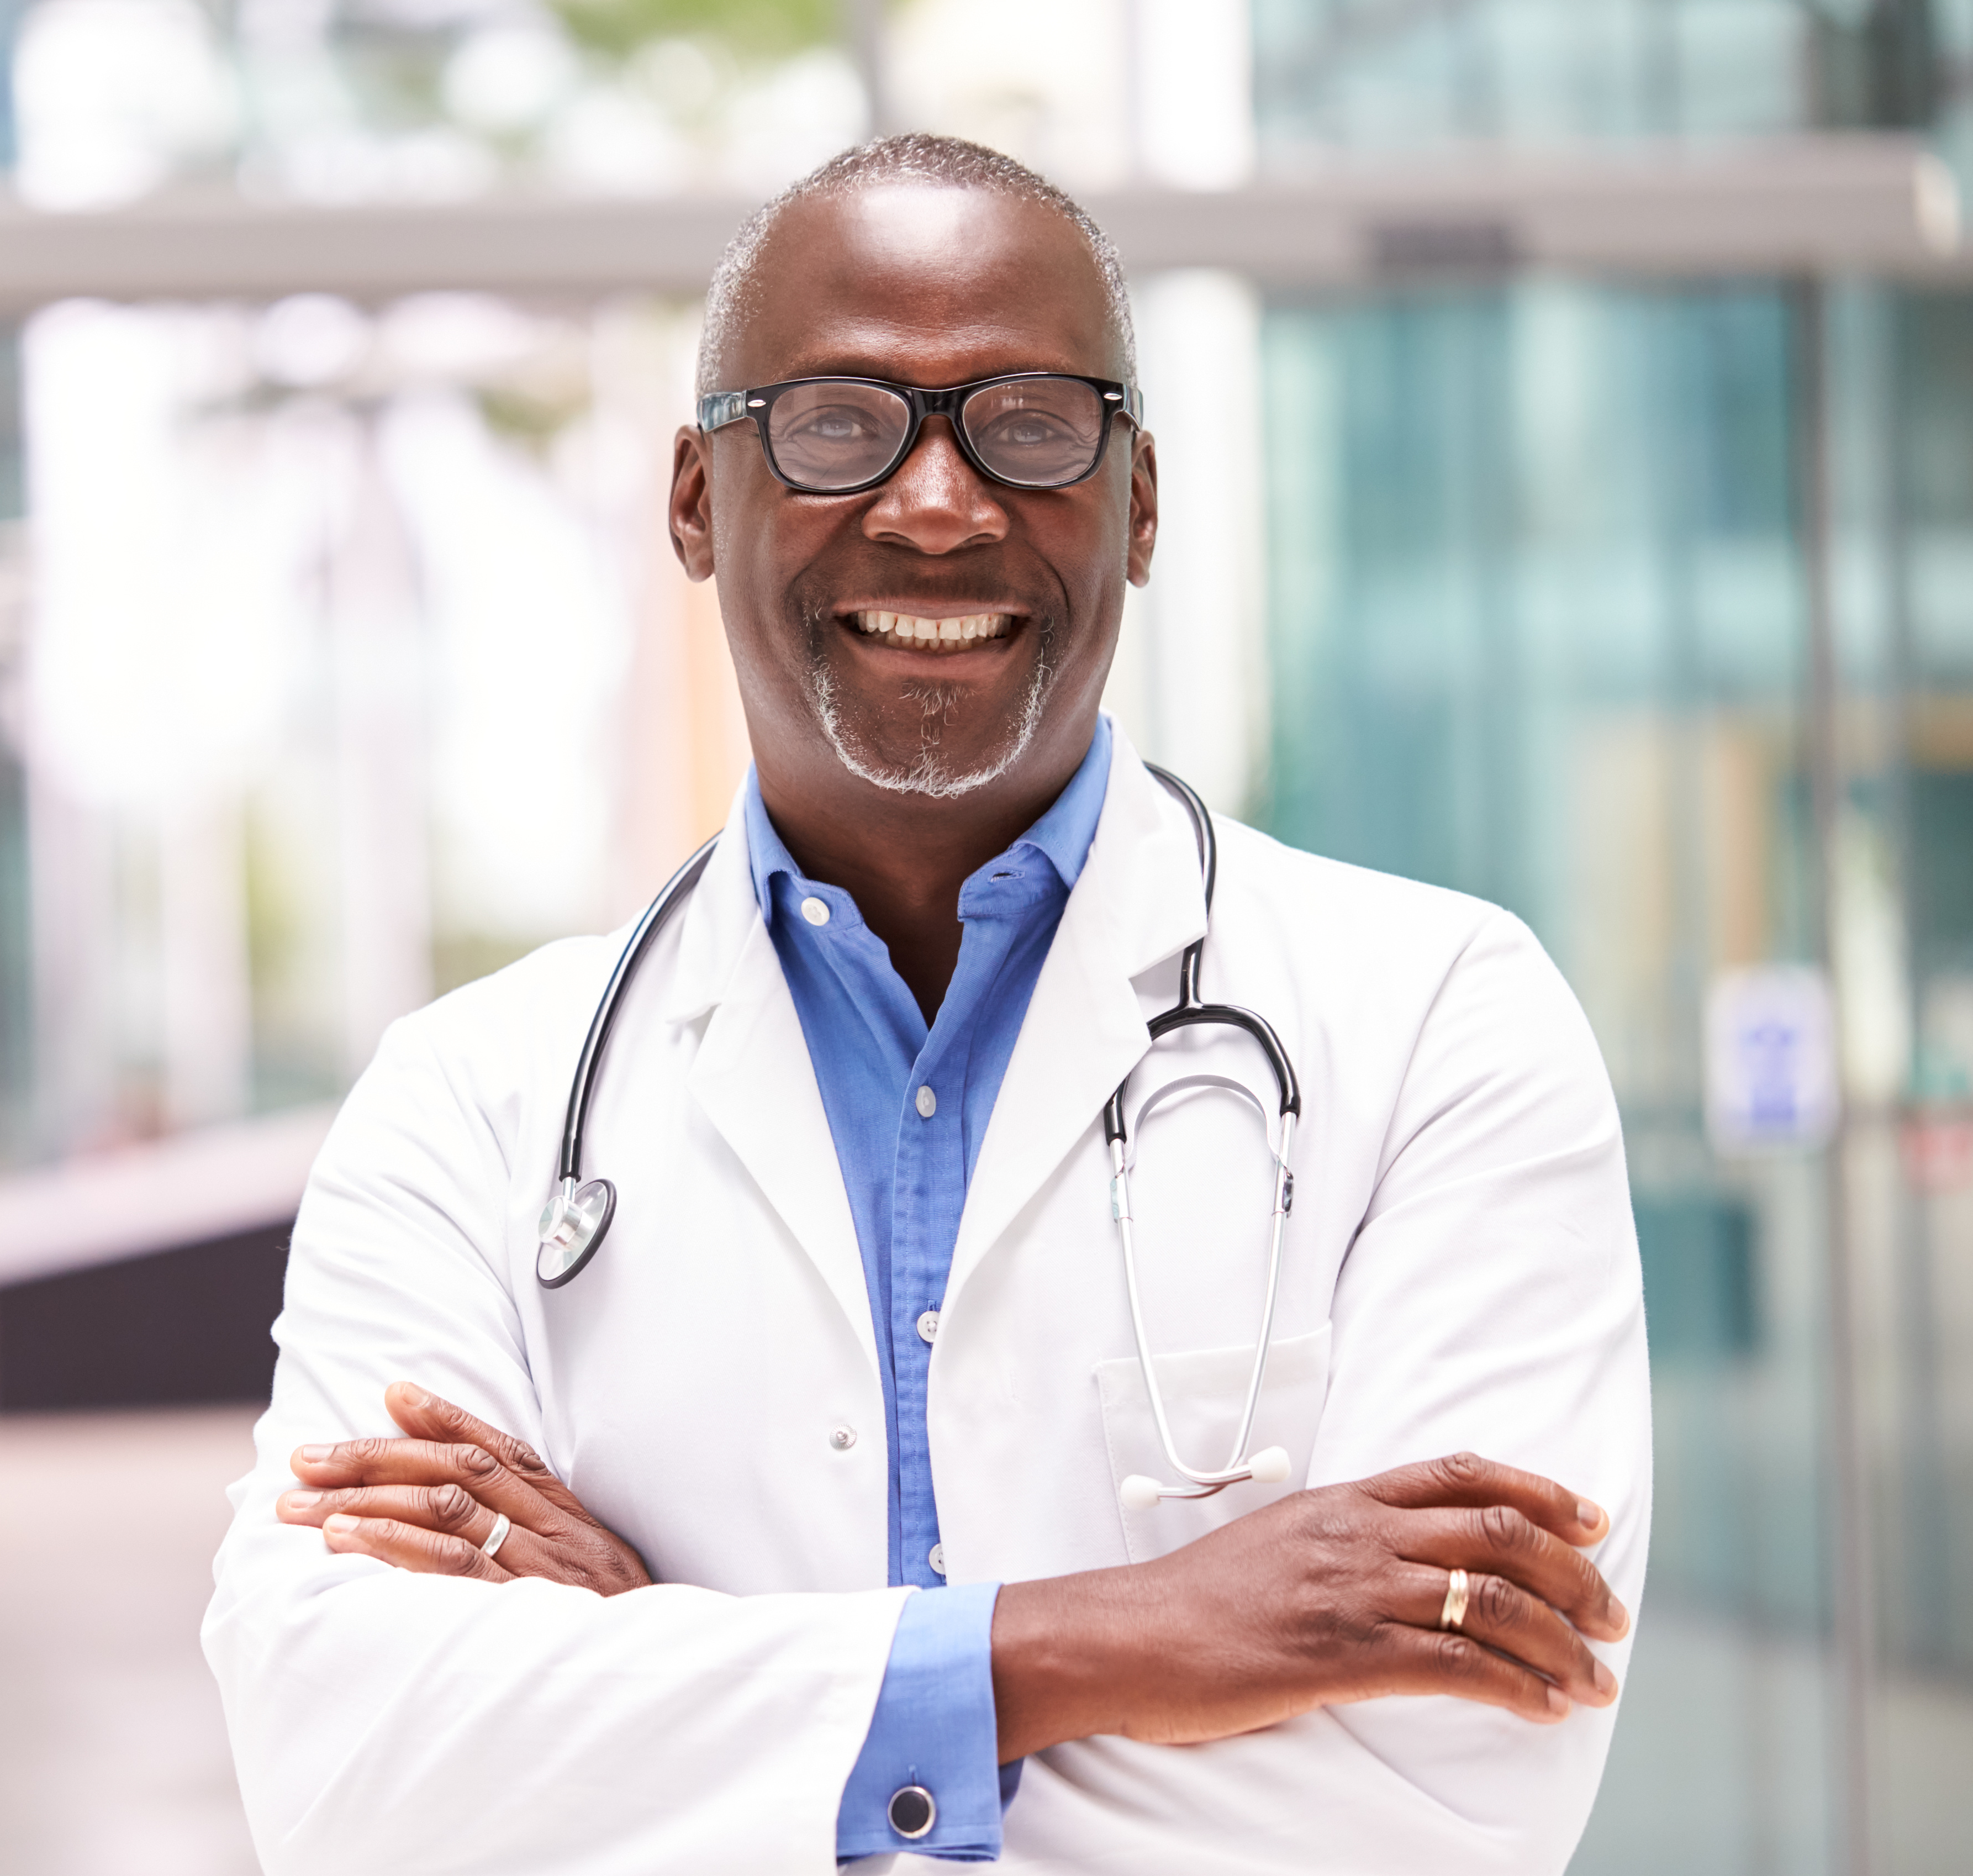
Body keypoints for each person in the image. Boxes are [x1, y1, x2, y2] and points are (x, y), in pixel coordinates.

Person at [203, 134, 1648, 1874]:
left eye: (1029, 424)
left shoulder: (1439, 1025)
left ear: (1139, 501)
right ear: (689, 497)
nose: (937, 504)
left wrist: (665, 1662)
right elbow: (348, 1769)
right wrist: (1113, 1639)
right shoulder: (470, 1101)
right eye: (834, 422)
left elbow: (1443, 1791)